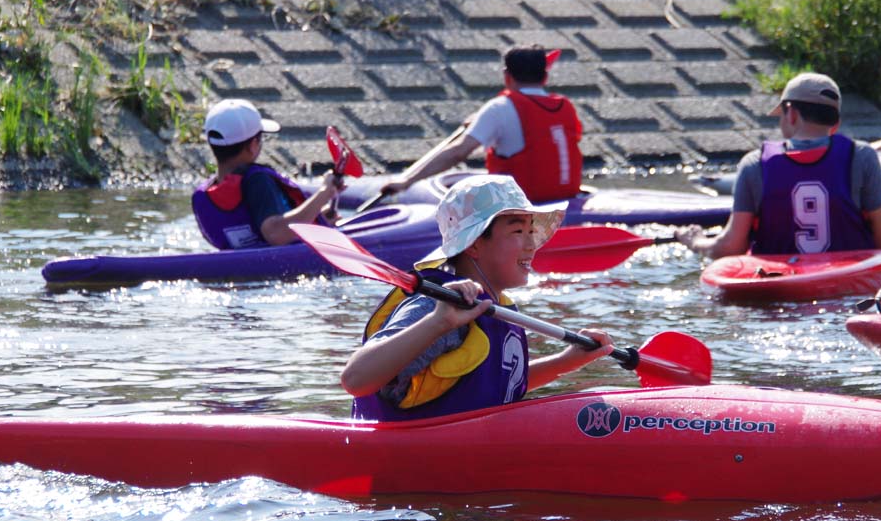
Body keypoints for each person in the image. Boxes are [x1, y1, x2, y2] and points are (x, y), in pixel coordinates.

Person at [342, 173, 614, 422]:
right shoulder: (435, 307)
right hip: (410, 464)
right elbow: (356, 379)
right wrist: (438, 322)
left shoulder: (495, 308)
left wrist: (567, 361)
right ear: (473, 244)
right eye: (518, 232)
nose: (532, 245)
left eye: (531, 231)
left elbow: (494, 383)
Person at [677, 73, 881, 259]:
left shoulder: (754, 164)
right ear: (835, 123)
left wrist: (696, 241)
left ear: (791, 113)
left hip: (776, 282)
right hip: (846, 283)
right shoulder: (862, 156)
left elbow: (731, 246)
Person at [377, 44, 584, 204]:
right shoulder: (565, 107)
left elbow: (459, 152)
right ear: (545, 76)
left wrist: (407, 182)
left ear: (507, 76)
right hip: (565, 199)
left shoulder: (499, 108)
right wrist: (482, 122)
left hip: (521, 206)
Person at [193, 98, 341, 249]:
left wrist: (318, 217)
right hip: (282, 266)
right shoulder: (258, 180)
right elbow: (276, 234)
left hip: (239, 268)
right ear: (252, 145)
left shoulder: (203, 195)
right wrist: (324, 193)